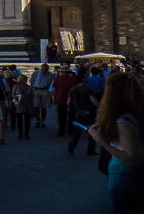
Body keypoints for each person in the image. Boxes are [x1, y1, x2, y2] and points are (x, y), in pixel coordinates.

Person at [88, 72, 144, 213]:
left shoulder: (123, 122)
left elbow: (130, 158)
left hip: (124, 177)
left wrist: (101, 141)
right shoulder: (132, 115)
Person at [69, 72, 101, 156]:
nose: (87, 79)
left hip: (78, 111)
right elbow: (93, 101)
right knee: (91, 130)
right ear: (83, 79)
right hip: (88, 111)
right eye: (86, 77)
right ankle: (91, 149)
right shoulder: (88, 89)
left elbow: (69, 101)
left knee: (77, 131)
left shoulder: (72, 89)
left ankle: (72, 146)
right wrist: (100, 107)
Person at [53, 66, 77, 136]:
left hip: (60, 99)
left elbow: (54, 90)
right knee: (71, 116)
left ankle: (61, 130)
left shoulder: (58, 79)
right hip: (71, 99)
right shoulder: (72, 79)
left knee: (61, 116)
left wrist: (54, 99)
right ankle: (70, 130)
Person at [30, 63, 54, 129]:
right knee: (36, 106)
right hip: (37, 89)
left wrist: (50, 92)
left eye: (46, 69)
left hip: (45, 90)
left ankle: (42, 121)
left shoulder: (50, 74)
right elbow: (32, 81)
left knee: (44, 107)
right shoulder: (36, 73)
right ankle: (38, 120)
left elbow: (51, 83)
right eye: (44, 69)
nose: (45, 71)